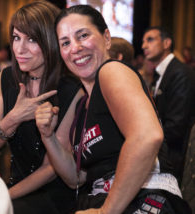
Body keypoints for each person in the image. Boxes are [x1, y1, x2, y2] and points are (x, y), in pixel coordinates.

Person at [35, 5, 191, 214]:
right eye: (65, 43)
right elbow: (76, 178)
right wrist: (48, 136)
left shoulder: (111, 71)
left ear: (106, 38)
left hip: (145, 196)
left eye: (82, 35)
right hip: (106, 199)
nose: (75, 48)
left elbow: (146, 136)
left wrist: (105, 211)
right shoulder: (82, 105)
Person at [0, 1, 82, 214]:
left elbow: (50, 169)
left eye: (32, 40)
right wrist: (13, 118)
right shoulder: (6, 77)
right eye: (16, 37)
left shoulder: (72, 90)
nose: (20, 48)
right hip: (14, 186)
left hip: (52, 197)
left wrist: (4, 196)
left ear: (52, 42)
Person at [142, 26, 195, 184]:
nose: (144, 45)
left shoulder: (180, 73)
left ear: (166, 43)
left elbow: (176, 125)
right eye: (143, 41)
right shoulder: (162, 72)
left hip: (176, 159)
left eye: (150, 39)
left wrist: (145, 141)